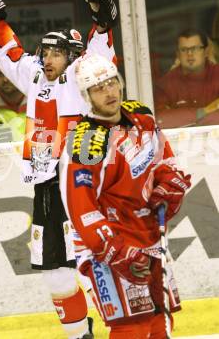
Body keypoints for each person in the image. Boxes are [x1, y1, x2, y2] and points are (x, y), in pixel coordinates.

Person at [0, 0, 118, 339]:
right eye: (45, 51)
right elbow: (10, 51)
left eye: (56, 52)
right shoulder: (34, 75)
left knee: (98, 262)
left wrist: (102, 21)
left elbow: (99, 53)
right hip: (47, 189)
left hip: (83, 185)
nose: (47, 58)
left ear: (73, 56)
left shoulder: (83, 76)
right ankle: (80, 334)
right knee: (55, 273)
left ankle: (127, 323)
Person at [60, 54, 191, 339]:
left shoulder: (141, 115)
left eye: (111, 83)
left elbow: (163, 162)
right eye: (98, 88)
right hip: (106, 246)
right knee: (131, 327)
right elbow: (81, 209)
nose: (108, 92)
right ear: (86, 96)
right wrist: (114, 251)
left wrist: (169, 185)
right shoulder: (86, 143)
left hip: (147, 236)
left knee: (159, 324)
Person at [154, 28, 219, 128]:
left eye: (195, 48)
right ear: (178, 54)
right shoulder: (165, 84)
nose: (189, 54)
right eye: (184, 50)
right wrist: (202, 112)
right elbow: (159, 119)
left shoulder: (216, 74)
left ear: (206, 52)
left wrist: (183, 118)